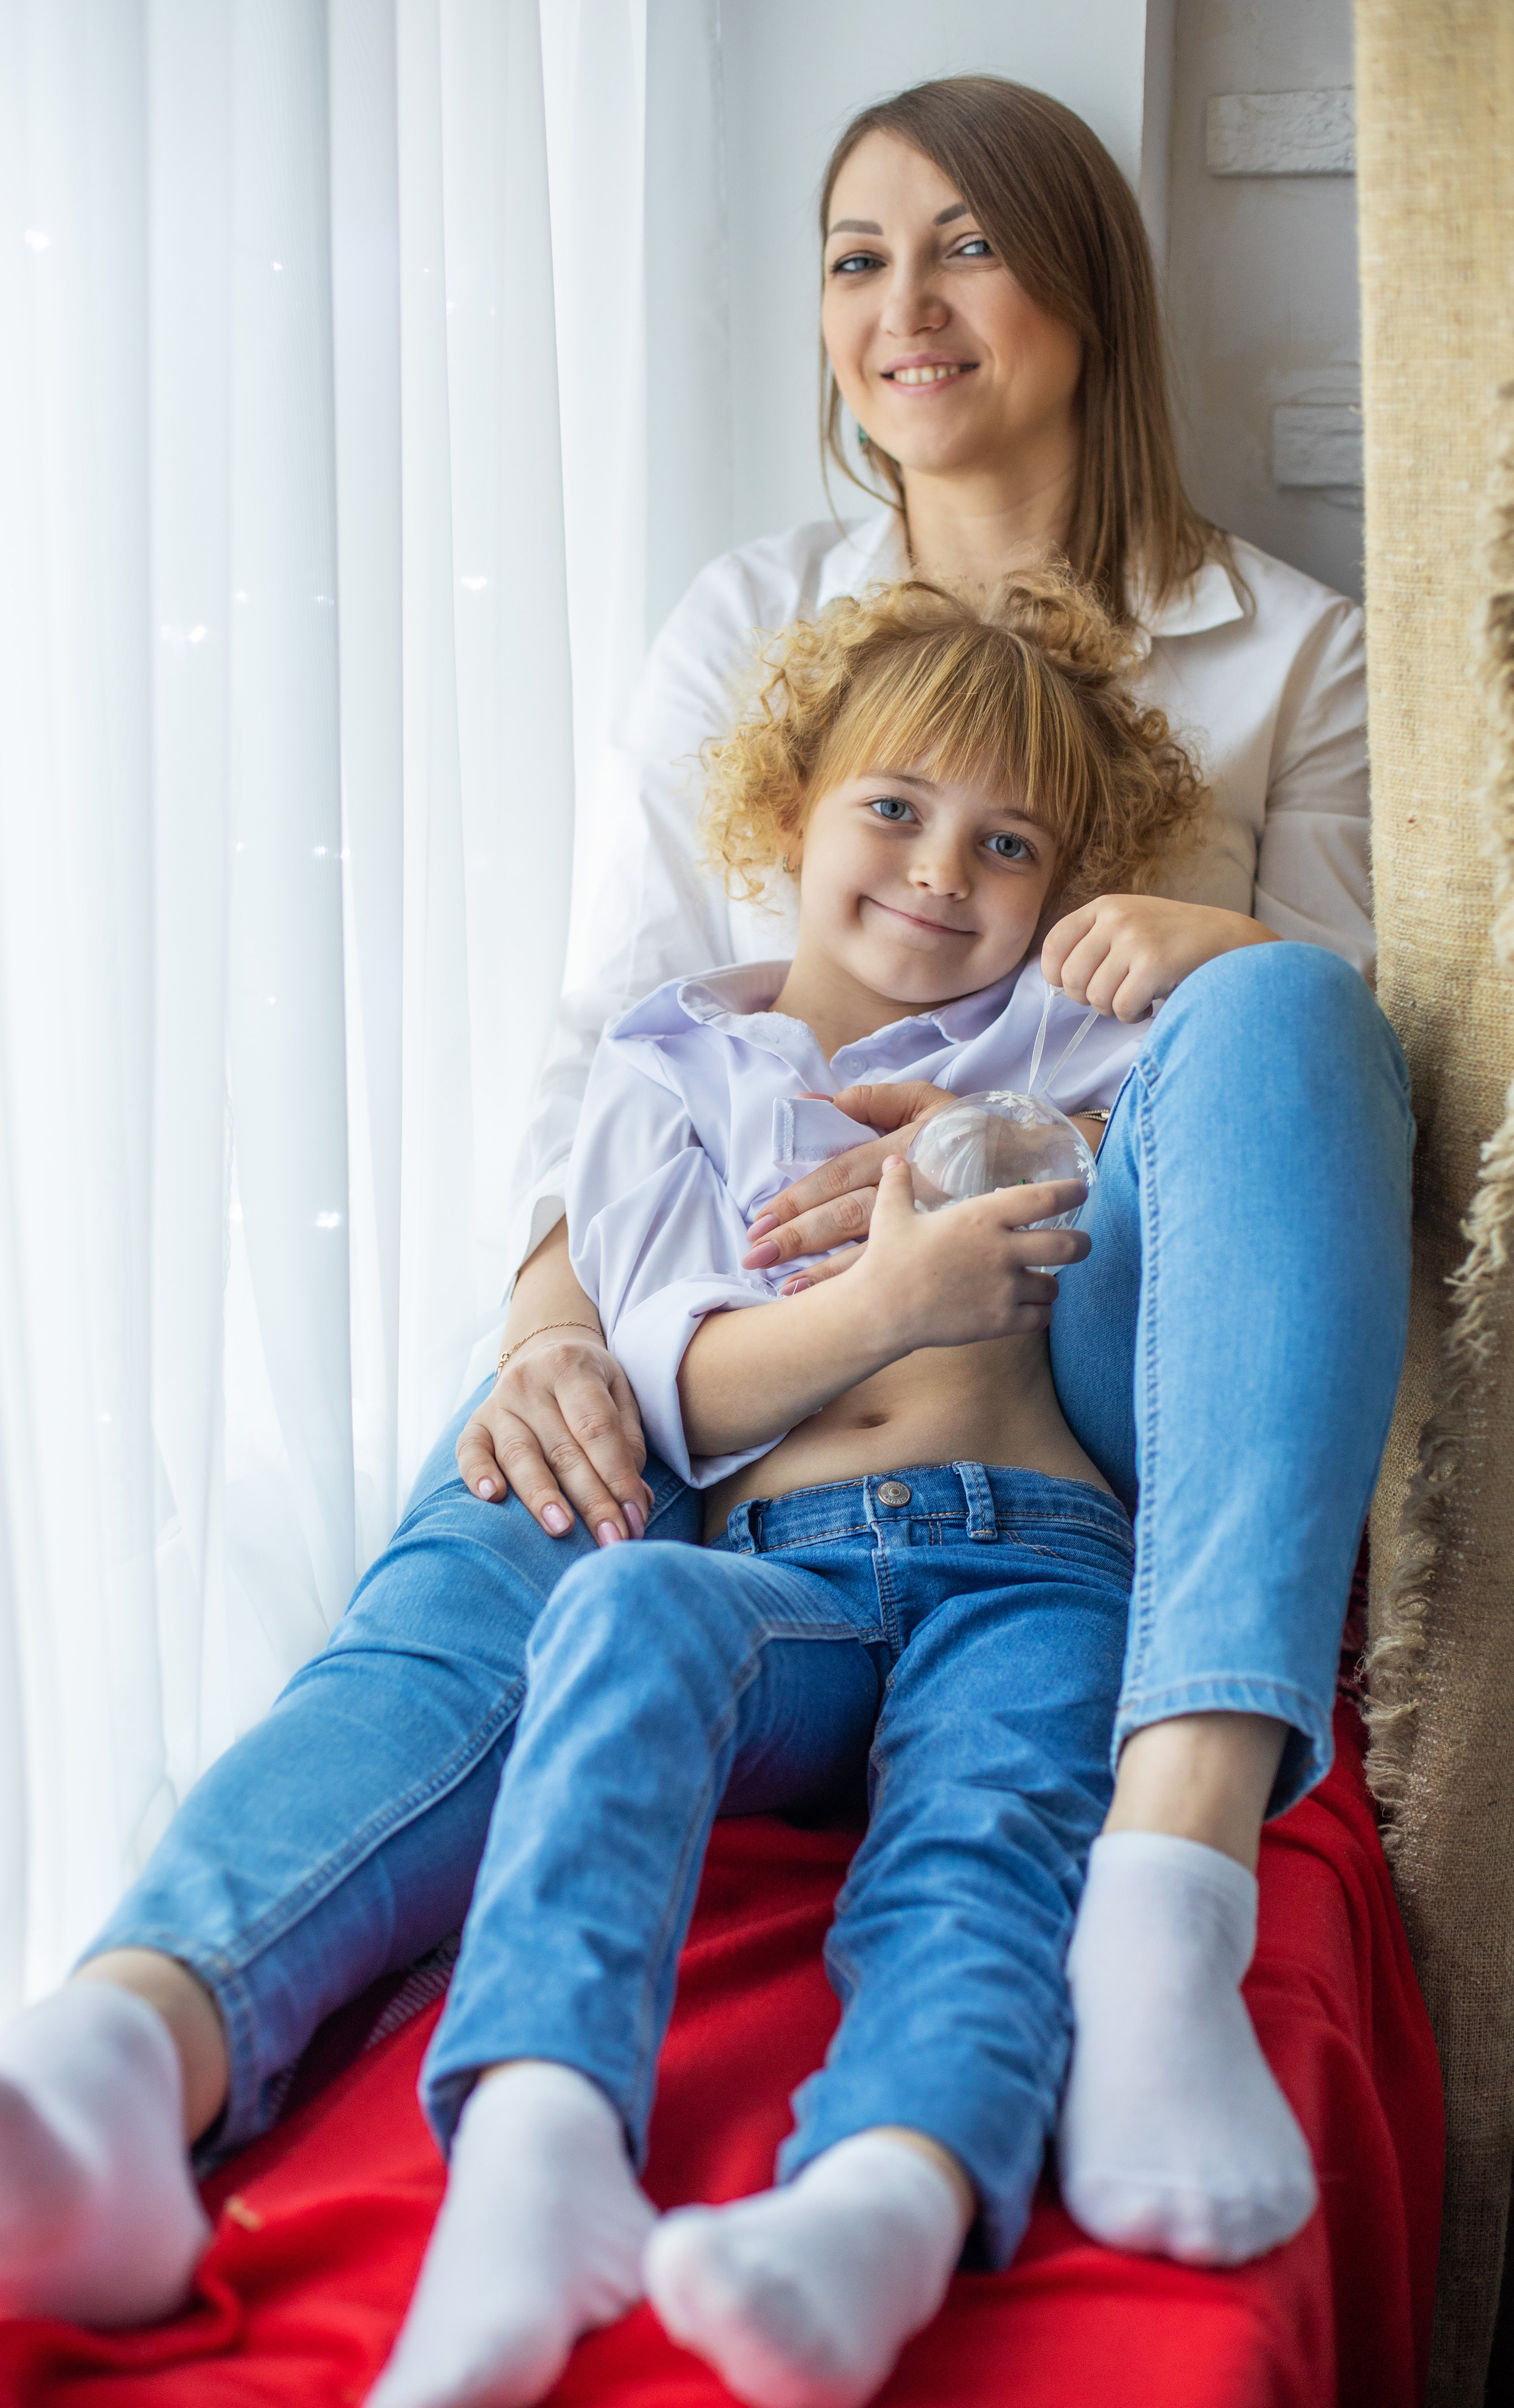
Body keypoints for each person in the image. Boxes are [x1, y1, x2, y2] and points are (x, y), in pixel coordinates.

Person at [0, 73, 1407, 2342]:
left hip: (1081, 1319)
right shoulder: (758, 621)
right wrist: (547, 1331)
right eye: (854, 258)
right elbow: (620, 1035)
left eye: (965, 245)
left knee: (1299, 1007)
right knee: (528, 1485)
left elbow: (1329, 1119)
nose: (904, 305)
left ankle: (1172, 1875)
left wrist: (1206, 969)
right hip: (757, 1296)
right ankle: (133, 2047)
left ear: (1088, 287)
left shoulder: (1285, 646)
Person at [367, 571, 1344, 2408]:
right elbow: (671, 1384)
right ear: (785, 808)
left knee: (976, 1854)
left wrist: (1199, 952)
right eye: (892, 809)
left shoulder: (1059, 1036)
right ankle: (535, 2149)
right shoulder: (669, 1077)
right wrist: (888, 1303)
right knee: (620, 1606)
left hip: (1038, 1568)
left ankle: (884, 2200)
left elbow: (1290, 1132)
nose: (940, 871)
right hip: (786, 1574)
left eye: (1009, 844)